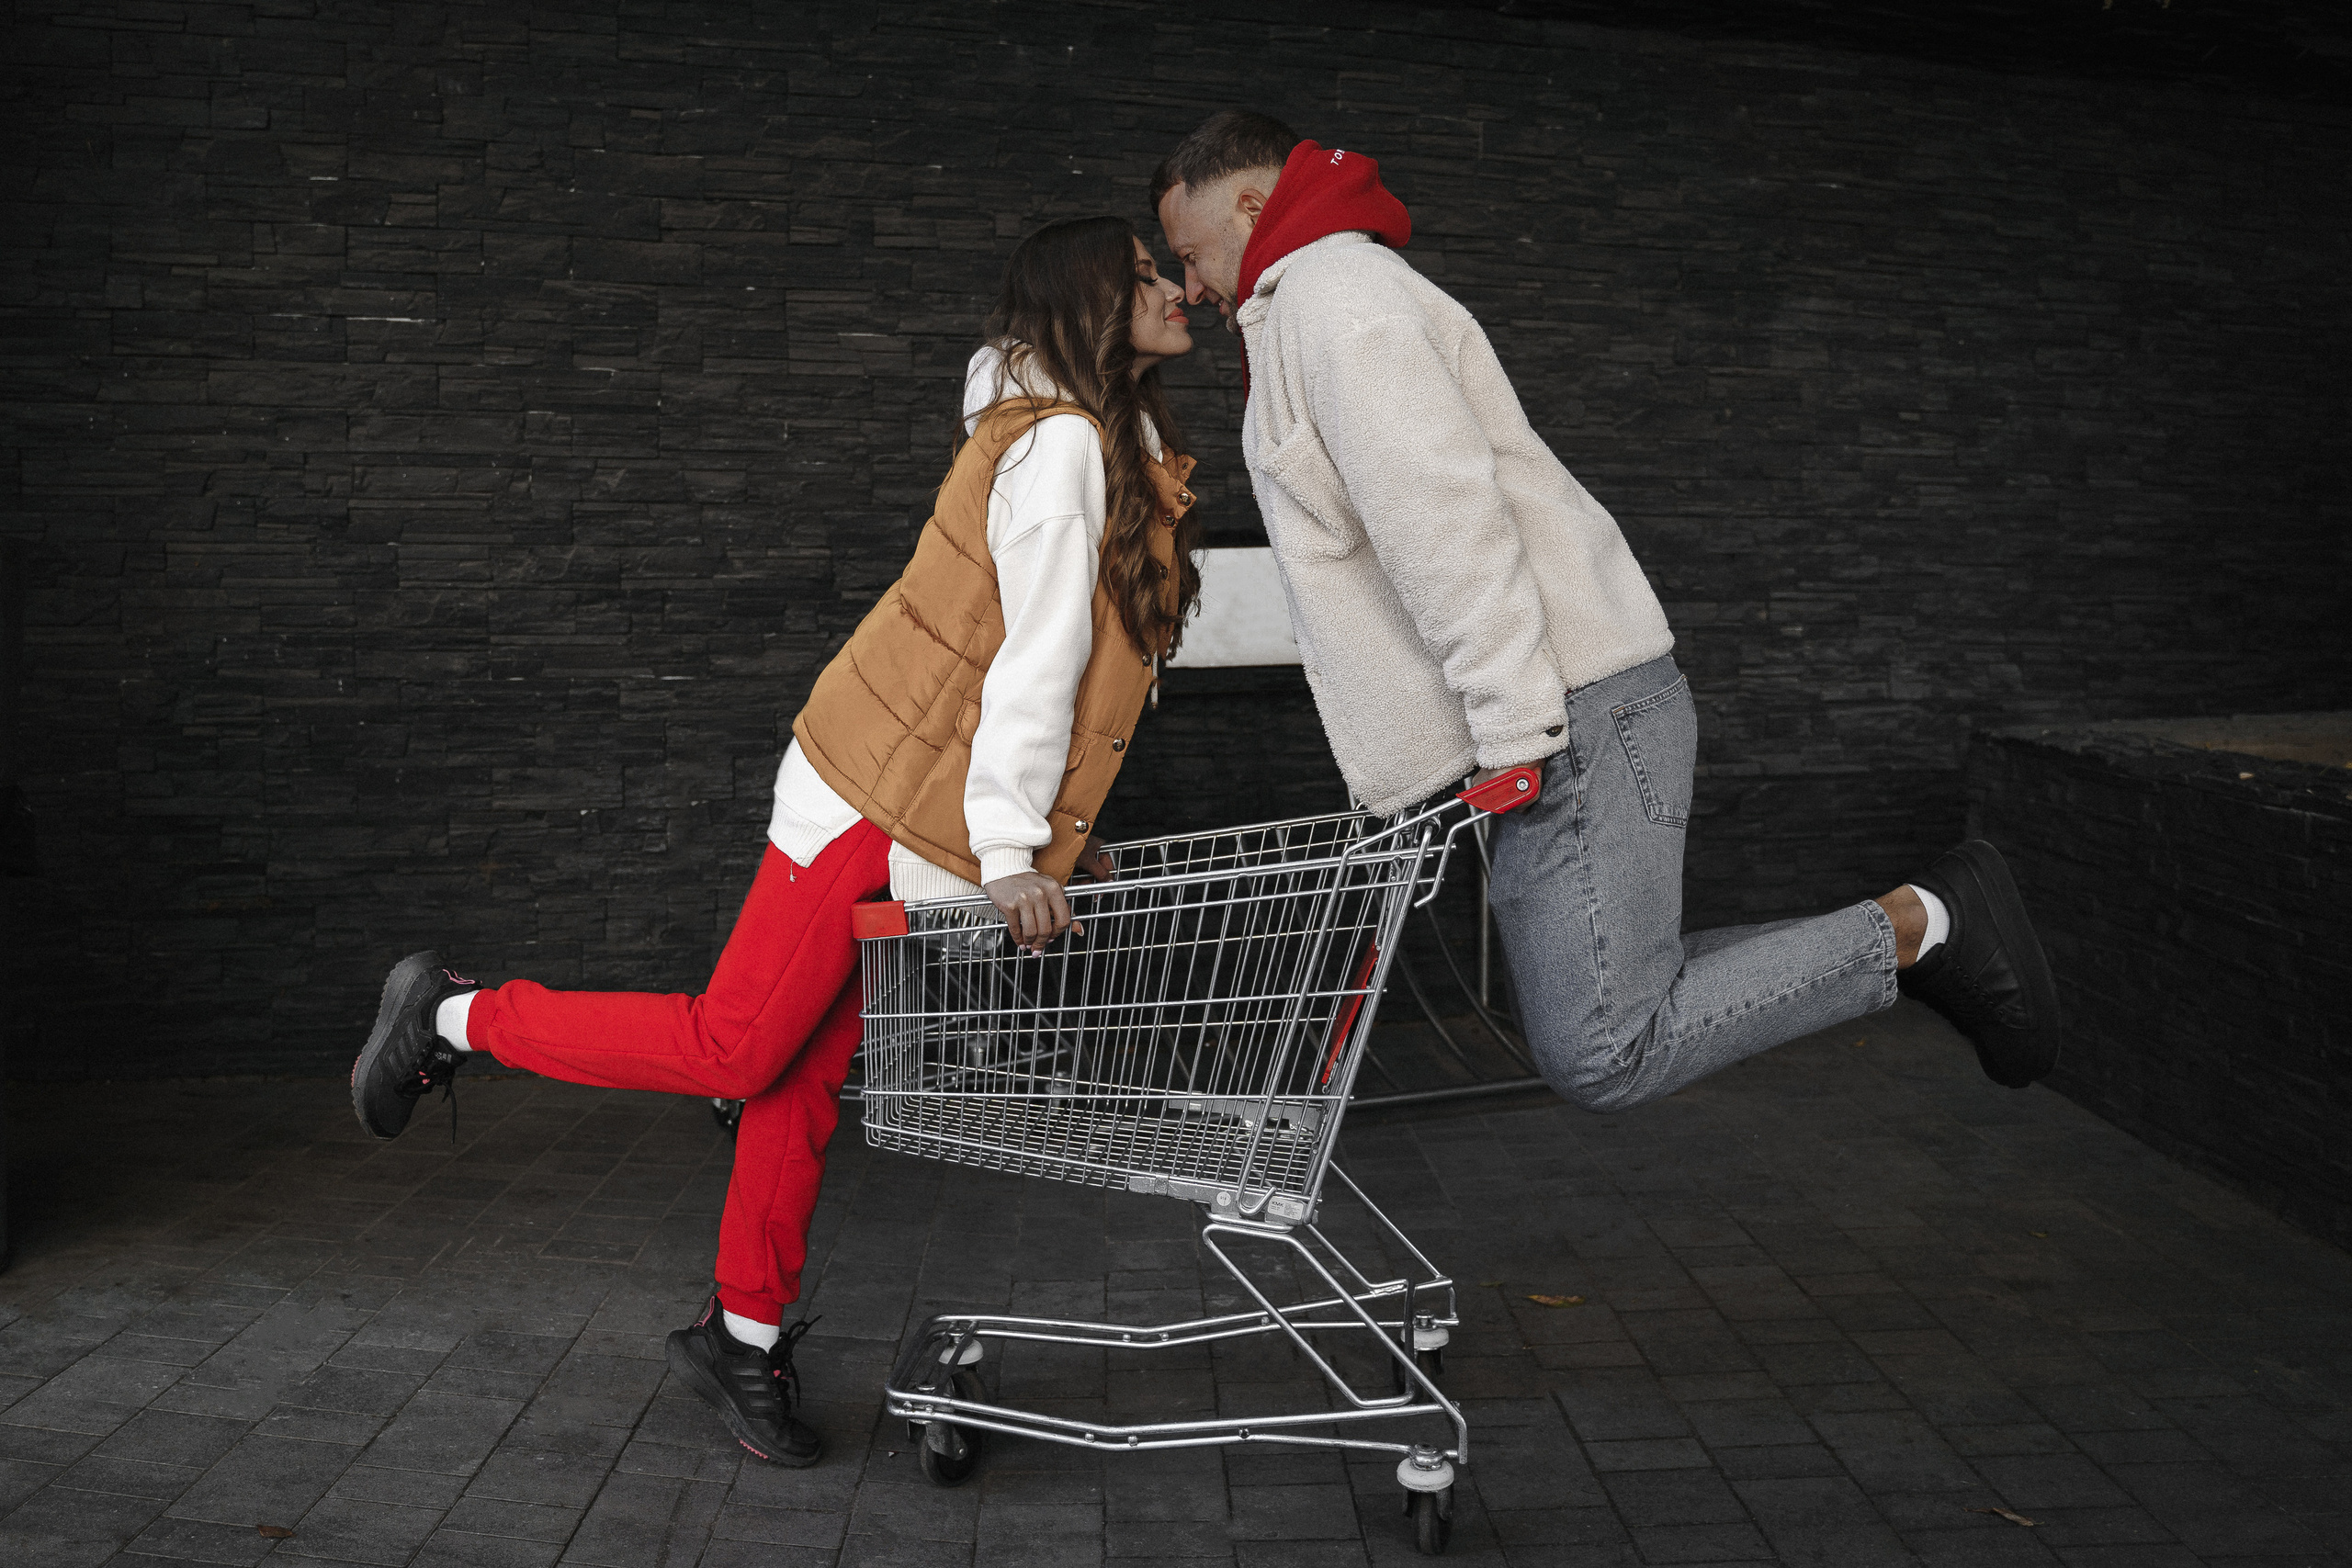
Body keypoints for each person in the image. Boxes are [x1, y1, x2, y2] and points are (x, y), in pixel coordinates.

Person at [347, 216, 1203, 1466]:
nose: (1177, 288)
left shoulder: (1096, 441)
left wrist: (1057, 843)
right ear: (1088, 303)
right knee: (738, 1046)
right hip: (870, 791)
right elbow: (1034, 659)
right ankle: (455, 1016)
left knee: (796, 1077)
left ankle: (742, 1338)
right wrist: (1019, 853)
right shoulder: (1067, 443)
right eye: (1143, 275)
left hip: (909, 796)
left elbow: (1059, 681)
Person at [1149, 110, 2060, 1111]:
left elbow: (1446, 526)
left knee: (1602, 1049)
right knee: (1621, 1005)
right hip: (1564, 711)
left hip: (1566, 716)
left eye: (1189, 254)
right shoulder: (1314, 307)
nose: (1189, 286)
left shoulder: (1336, 301)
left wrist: (1510, 733)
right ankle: (1921, 927)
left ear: (1249, 202)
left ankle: (1923, 927)